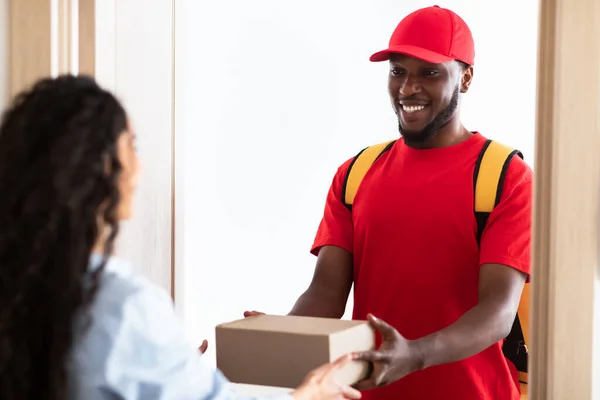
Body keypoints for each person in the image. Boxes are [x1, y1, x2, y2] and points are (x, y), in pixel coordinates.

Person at [0, 75, 362, 400]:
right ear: (103, 167)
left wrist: (168, 366)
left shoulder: (20, 283)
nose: (139, 168)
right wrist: (309, 396)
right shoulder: (121, 305)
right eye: (133, 146)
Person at [244, 5, 532, 400]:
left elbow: (497, 314)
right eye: (398, 70)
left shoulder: (503, 176)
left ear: (465, 78)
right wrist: (281, 334)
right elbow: (326, 292)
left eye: (429, 72)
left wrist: (413, 354)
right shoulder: (356, 173)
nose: (408, 87)